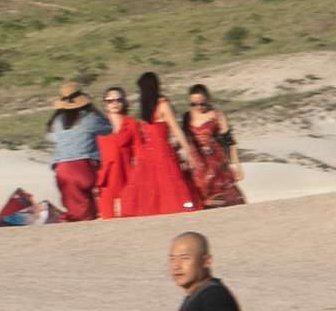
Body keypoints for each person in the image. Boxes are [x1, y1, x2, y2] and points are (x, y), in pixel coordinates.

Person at [123, 71, 198, 217]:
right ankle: (181, 207)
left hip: (147, 152)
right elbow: (175, 129)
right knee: (171, 183)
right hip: (162, 150)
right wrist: (189, 150)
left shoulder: (145, 108)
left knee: (151, 186)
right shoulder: (163, 104)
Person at [45, 84, 108, 222]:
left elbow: (51, 137)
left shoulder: (57, 121)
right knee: (87, 210)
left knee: (75, 210)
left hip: (62, 169)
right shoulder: (89, 117)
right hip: (84, 167)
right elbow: (107, 128)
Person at [183, 83, 246, 209]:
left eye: (202, 103)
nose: (198, 107)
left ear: (208, 100)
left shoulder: (217, 115)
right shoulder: (187, 117)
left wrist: (235, 164)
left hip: (215, 160)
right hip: (197, 160)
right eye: (194, 104)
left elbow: (230, 142)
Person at [93, 86, 136, 220]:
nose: (115, 103)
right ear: (105, 104)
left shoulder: (132, 123)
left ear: (124, 102)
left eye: (118, 100)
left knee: (129, 213)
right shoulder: (99, 125)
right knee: (108, 215)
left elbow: (138, 150)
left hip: (127, 173)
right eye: (110, 100)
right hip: (107, 176)